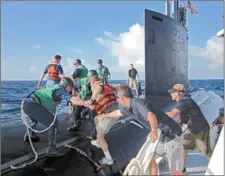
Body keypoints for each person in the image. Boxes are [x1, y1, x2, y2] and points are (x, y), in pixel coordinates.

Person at [96, 85, 184, 175]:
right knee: (150, 158)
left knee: (175, 171)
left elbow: (151, 116)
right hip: (162, 135)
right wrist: (104, 116)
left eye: (117, 97)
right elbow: (118, 112)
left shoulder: (138, 103)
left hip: (172, 134)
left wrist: (153, 131)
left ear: (121, 98)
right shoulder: (126, 108)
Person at [70, 70, 118, 165]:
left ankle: (109, 159)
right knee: (96, 118)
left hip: (110, 114)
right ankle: (98, 141)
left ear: (91, 80)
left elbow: (98, 89)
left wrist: (91, 100)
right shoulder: (106, 85)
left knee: (100, 136)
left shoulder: (97, 86)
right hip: (113, 112)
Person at [166, 84, 212, 173]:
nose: (171, 94)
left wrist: (156, 116)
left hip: (200, 129)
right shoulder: (183, 101)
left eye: (173, 92)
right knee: (183, 146)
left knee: (206, 151)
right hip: (190, 129)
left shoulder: (184, 101)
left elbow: (172, 114)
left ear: (179, 93)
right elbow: (179, 119)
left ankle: (218, 166)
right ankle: (181, 169)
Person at [23, 77, 74, 157]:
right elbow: (70, 98)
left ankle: (30, 136)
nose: (70, 90)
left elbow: (48, 100)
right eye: (70, 87)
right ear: (65, 85)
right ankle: (51, 150)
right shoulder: (60, 89)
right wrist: (84, 103)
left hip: (27, 102)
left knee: (34, 120)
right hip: (33, 104)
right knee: (53, 123)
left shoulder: (52, 86)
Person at [68, 59, 92, 131]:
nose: (74, 66)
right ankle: (86, 113)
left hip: (81, 86)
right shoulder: (85, 68)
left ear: (77, 63)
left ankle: (77, 125)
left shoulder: (78, 69)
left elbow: (73, 77)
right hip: (87, 87)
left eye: (75, 64)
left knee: (77, 106)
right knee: (88, 104)